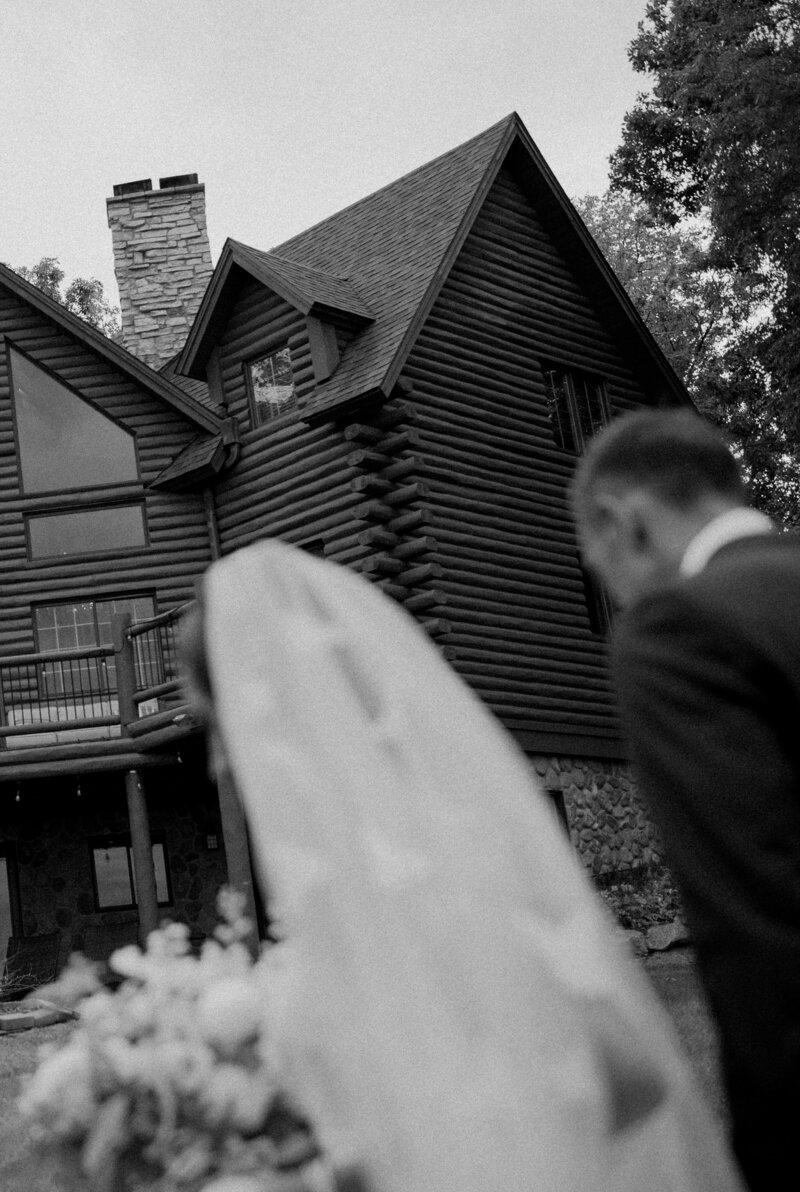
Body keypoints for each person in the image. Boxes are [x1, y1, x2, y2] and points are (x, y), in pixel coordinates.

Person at [181, 537, 743, 1192]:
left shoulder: (450, 883)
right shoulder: (404, 877)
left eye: (215, 725)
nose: (219, 760)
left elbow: (631, 1083)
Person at [571, 407, 800, 1192]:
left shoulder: (683, 631)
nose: (621, 599)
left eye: (601, 573)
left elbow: (759, 921)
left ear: (621, 522)